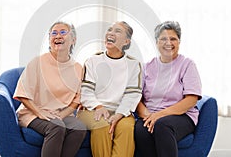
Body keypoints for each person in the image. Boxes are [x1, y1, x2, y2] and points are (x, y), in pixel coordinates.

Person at [13, 22, 86, 157]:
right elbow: (22, 94)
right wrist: (39, 112)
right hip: (33, 112)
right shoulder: (38, 63)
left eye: (63, 32)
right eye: (54, 33)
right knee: (56, 127)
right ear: (49, 39)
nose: (58, 36)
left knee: (79, 128)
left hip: (60, 114)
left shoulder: (78, 68)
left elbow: (77, 99)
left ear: (73, 40)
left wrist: (62, 115)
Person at [134, 21, 202, 157]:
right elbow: (136, 98)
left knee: (162, 126)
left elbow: (191, 100)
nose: (168, 43)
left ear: (179, 42)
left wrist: (159, 116)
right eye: (163, 39)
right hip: (151, 114)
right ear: (156, 42)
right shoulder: (146, 67)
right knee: (140, 130)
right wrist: (149, 116)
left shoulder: (187, 64)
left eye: (173, 39)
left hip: (181, 116)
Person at [77, 21, 142, 157]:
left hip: (121, 112)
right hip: (92, 110)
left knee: (125, 127)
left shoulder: (134, 64)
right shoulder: (92, 61)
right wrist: (99, 106)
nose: (111, 33)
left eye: (117, 31)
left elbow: (132, 95)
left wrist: (118, 115)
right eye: (110, 30)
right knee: (103, 125)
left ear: (126, 41)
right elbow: (86, 91)